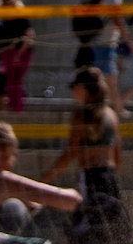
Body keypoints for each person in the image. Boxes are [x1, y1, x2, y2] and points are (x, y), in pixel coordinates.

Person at [46, 65, 125, 204]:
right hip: (110, 178)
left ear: (82, 87)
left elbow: (70, 153)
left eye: (73, 86)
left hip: (91, 178)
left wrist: (45, 179)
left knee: (88, 222)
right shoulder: (111, 115)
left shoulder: (81, 115)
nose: (71, 91)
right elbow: (118, 156)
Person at [72, 0, 128, 107]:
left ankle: (103, 106)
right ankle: (116, 109)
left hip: (94, 41)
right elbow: (116, 18)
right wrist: (127, 38)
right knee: (110, 78)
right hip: (106, 42)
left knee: (100, 77)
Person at [0, 0, 34, 112]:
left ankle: (17, 108)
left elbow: (28, 37)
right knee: (10, 81)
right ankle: (13, 108)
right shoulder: (3, 20)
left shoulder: (22, 18)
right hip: (8, 53)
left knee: (16, 80)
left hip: (22, 52)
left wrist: (19, 54)